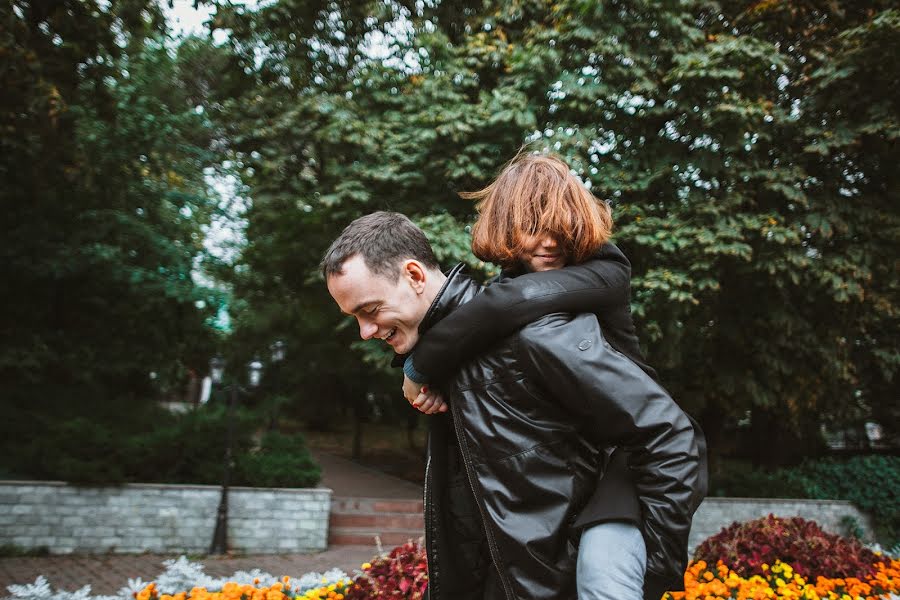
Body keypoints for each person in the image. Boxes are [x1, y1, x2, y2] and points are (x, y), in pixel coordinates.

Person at [323, 211, 705, 600]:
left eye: (369, 311)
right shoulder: (440, 368)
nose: (365, 332)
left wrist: (652, 576)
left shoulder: (534, 337)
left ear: (415, 276)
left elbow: (670, 436)